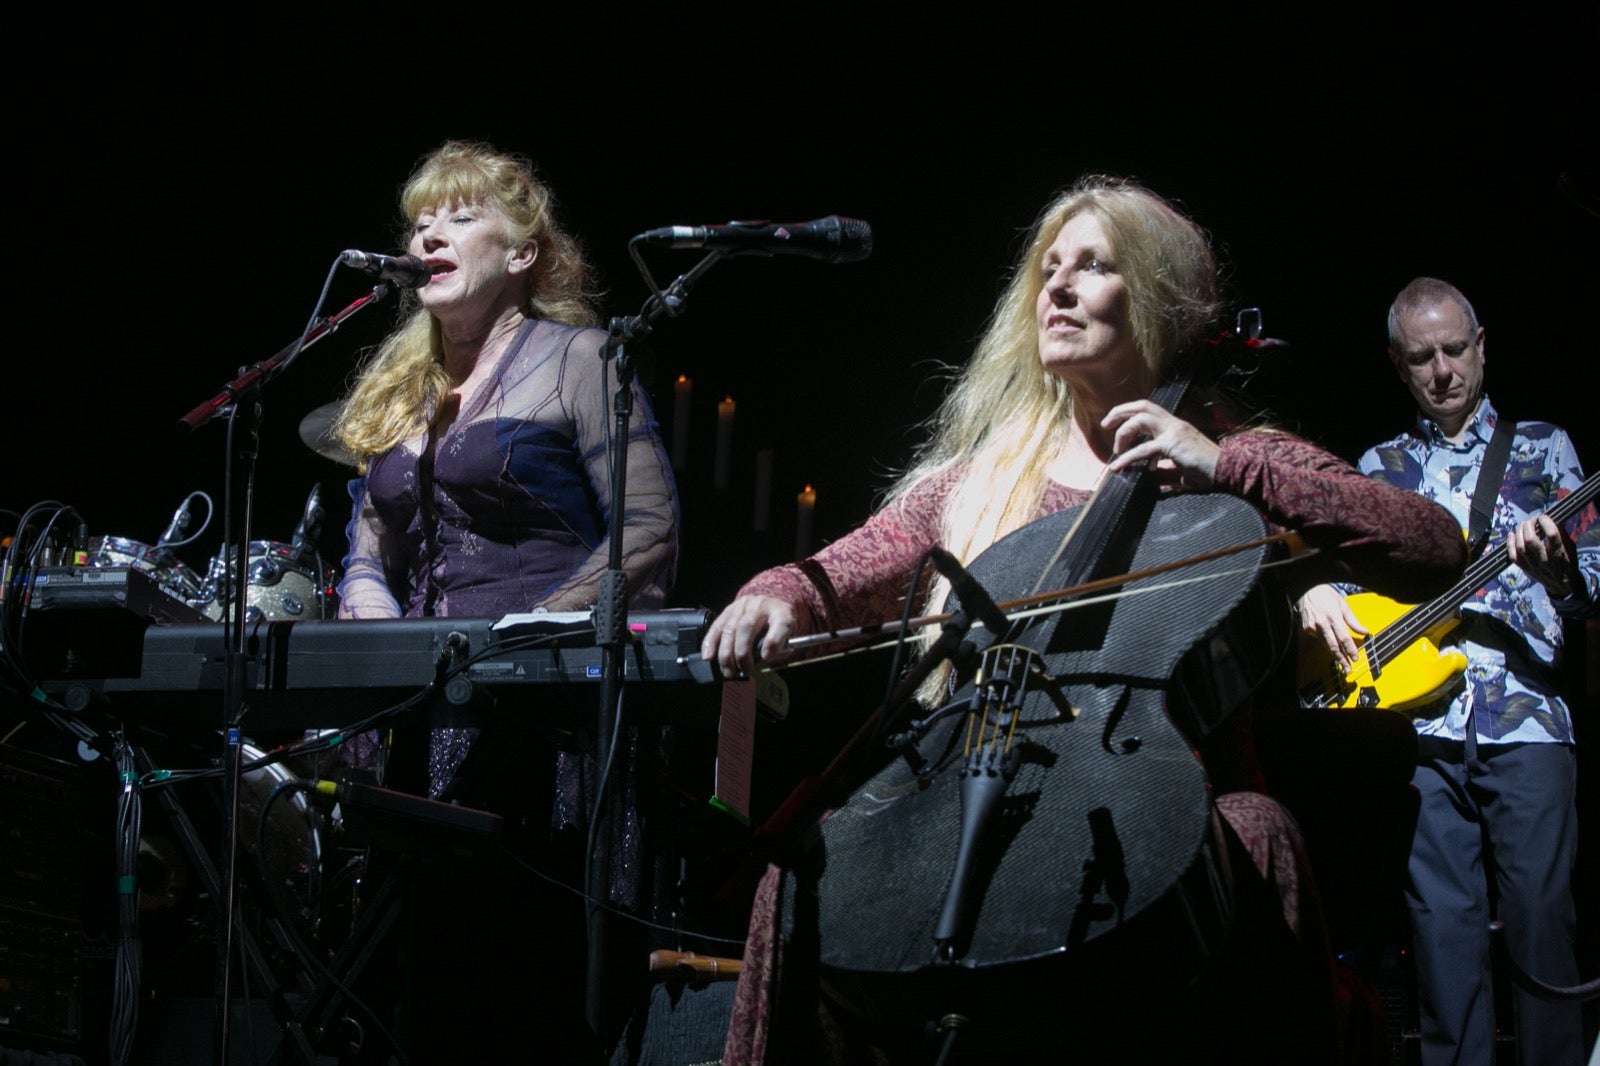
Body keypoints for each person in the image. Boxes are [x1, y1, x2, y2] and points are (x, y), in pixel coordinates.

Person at [701, 176, 1467, 1065]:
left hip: (1165, 818)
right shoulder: (991, 475)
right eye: (1049, 269)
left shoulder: (1229, 455)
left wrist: (1227, 466)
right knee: (799, 882)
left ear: (1152, 301)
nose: (1056, 288)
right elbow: (861, 559)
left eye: (1093, 267)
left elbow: (1431, 543)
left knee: (1262, 830)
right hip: (979, 783)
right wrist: (778, 591)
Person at [328, 139, 680, 1062]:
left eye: (459, 214)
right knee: (416, 977)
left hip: (543, 702)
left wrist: (519, 637)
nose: (428, 231)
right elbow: (369, 546)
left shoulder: (580, 359)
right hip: (421, 704)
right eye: (418, 221)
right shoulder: (404, 392)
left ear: (523, 254)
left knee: (521, 973)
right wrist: (374, 623)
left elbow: (646, 531)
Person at [1298, 277, 1596, 1066]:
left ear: (1482, 344)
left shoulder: (1546, 448)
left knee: (1541, 918)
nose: (1443, 371)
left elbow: (1589, 590)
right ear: (1399, 367)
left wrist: (1557, 570)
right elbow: (1348, 588)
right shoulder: (1379, 467)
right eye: (1422, 357)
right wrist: (1317, 589)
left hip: (1527, 718)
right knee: (1440, 929)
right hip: (1418, 728)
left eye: (1456, 350)